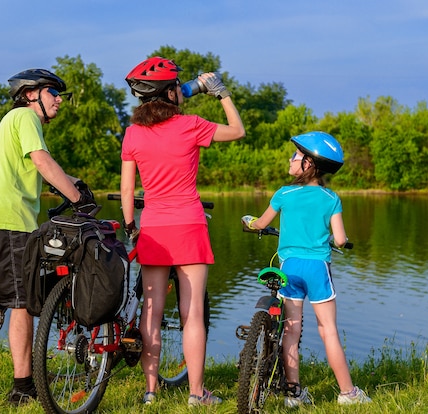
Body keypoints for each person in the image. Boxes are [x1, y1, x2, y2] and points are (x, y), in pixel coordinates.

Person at [120, 56, 245, 407]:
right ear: (171, 93)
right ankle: (195, 393)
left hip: (154, 229)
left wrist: (131, 226)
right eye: (178, 87)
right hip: (189, 226)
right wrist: (221, 93)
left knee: (151, 312)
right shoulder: (190, 125)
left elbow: (128, 191)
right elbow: (237, 130)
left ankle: (150, 392)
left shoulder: (133, 133)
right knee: (191, 314)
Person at [0, 68, 96, 405]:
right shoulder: (25, 117)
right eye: (53, 92)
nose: (59, 100)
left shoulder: (17, 121)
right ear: (31, 95)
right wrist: (77, 198)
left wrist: (73, 182)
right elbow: (42, 162)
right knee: (23, 303)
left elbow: (43, 165)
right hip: (8, 221)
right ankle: (22, 386)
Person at [242, 131, 372, 407]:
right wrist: (342, 241)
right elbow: (339, 239)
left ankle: (294, 394)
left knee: (290, 330)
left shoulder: (284, 194)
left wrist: (251, 223)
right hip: (317, 270)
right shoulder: (330, 198)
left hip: (290, 269)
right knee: (329, 331)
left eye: (296, 155)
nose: (291, 159)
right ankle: (348, 393)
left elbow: (262, 223)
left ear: (308, 164)